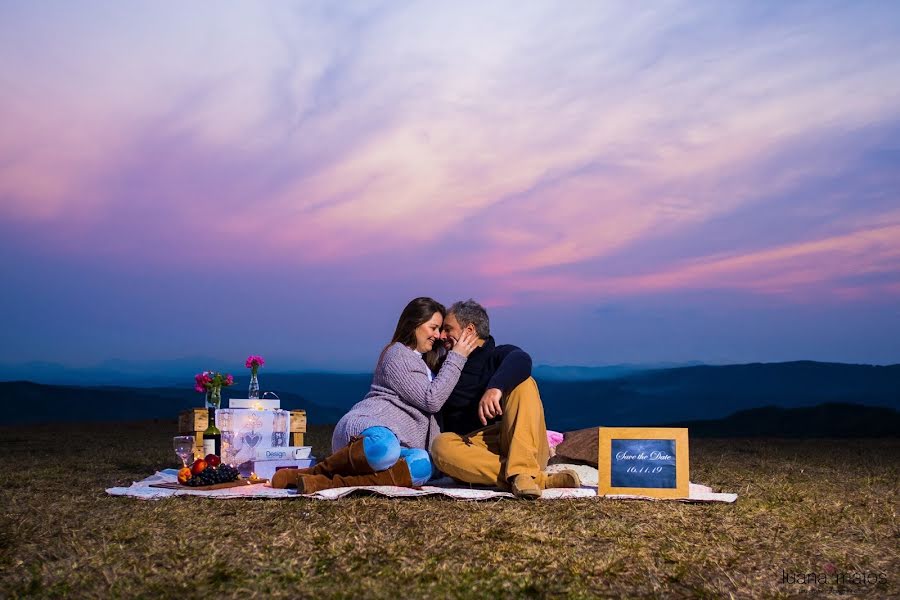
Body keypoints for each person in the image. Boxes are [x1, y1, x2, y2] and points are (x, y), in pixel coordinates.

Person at [271, 297, 478, 493]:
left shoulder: (429, 362)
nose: (437, 335)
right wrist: (457, 357)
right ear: (414, 323)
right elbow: (431, 400)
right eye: (433, 328)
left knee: (422, 465)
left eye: (440, 329)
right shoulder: (397, 353)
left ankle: (324, 482)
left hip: (399, 447)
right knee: (385, 447)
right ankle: (313, 472)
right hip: (366, 431)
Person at [430, 299, 581, 499]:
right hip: (478, 450)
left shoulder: (498, 355)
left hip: (519, 441)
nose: (442, 336)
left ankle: (523, 470)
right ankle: (534, 479)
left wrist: (495, 387)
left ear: (469, 330)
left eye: (448, 329)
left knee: (524, 383)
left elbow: (522, 359)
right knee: (441, 446)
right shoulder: (445, 366)